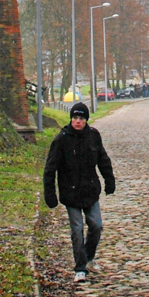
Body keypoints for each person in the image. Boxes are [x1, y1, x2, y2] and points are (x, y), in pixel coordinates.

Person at [43, 102, 115, 282]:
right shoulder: (62, 139)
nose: (77, 121)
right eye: (75, 118)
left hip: (90, 191)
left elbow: (103, 160)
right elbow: (50, 168)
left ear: (85, 120)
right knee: (77, 230)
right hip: (70, 192)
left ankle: (88, 257)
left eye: (81, 118)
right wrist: (50, 193)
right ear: (71, 119)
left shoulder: (93, 136)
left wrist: (109, 180)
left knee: (96, 225)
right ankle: (80, 268)